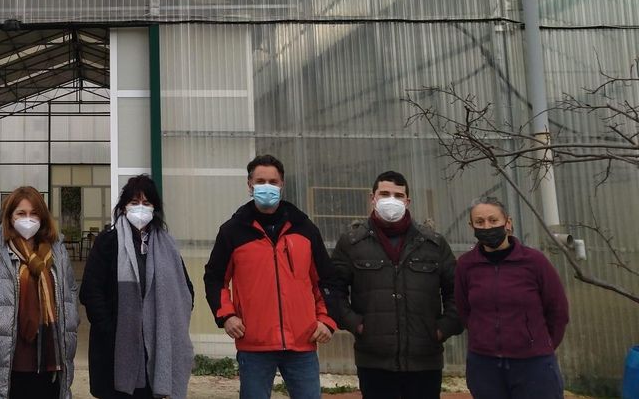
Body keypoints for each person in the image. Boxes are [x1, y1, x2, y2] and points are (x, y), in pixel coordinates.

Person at [203, 154, 336, 399]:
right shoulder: (232, 231)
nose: (267, 186)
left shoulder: (305, 229)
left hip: (302, 343)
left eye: (273, 181)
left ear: (282, 184)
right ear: (249, 184)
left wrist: (326, 320)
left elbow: (326, 281)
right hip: (254, 344)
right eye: (261, 181)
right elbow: (214, 278)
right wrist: (227, 315)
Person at [325, 171, 464, 399]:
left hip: (425, 361)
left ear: (408, 201)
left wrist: (441, 330)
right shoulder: (351, 243)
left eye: (398, 195)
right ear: (373, 198)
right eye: (385, 194)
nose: (391, 200)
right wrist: (357, 325)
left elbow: (458, 292)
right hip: (374, 361)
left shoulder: (433, 244)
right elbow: (333, 290)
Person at [0, 186, 79, 399]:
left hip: (50, 361)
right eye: (21, 213)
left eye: (34, 213)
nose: (27, 219)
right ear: (10, 217)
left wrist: (70, 320)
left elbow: (70, 290)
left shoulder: (56, 251)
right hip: (4, 363)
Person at [80, 175, 195, 399]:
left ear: (155, 208)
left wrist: (171, 322)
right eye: (134, 202)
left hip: (155, 344)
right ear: (123, 207)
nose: (140, 208)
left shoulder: (167, 246)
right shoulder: (108, 242)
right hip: (116, 346)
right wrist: (110, 328)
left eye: (146, 203)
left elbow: (185, 288)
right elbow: (91, 291)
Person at [456, 197, 569, 399]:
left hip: (533, 365)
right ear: (471, 226)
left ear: (508, 223)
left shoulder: (534, 262)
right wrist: (482, 338)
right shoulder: (466, 265)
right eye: (480, 222)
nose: (487, 226)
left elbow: (557, 310)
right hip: (484, 365)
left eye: (493, 220)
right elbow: (464, 310)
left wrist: (540, 344)